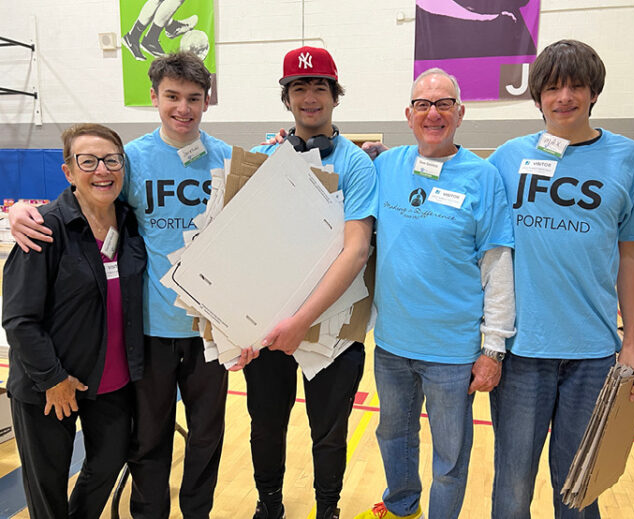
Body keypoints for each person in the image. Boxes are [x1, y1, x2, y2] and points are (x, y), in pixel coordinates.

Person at [10, 52, 231, 519]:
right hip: (147, 330)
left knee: (208, 437)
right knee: (147, 440)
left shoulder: (228, 160)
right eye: (172, 96)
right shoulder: (130, 159)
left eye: (194, 98)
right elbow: (88, 194)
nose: (183, 108)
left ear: (207, 101)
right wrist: (24, 212)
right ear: (154, 97)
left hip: (211, 330)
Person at [484, 40, 634, 519]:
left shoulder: (628, 158)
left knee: (579, 487)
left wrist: (632, 343)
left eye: (576, 86)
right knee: (512, 484)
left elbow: (631, 254)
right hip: (521, 351)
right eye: (553, 87)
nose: (564, 97)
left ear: (594, 92)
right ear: (537, 96)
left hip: (593, 352)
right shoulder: (506, 158)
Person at [339, 67, 518, 519]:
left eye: (443, 104)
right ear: (409, 114)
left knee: (449, 457)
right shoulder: (386, 166)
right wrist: (284, 148)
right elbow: (334, 179)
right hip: (392, 345)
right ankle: (402, 508)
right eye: (423, 104)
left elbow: (498, 266)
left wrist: (493, 349)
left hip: (453, 353)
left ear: (460, 112)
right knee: (393, 437)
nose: (432, 113)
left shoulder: (483, 177)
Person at [232, 45, 379, 519]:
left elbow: (356, 250)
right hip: (268, 323)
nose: (310, 97)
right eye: (299, 87)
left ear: (335, 95)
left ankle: (327, 509)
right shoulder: (263, 158)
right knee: (265, 425)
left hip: (333, 325)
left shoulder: (356, 165)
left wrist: (302, 320)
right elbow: (237, 241)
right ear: (287, 98)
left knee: (328, 432)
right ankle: (269, 505)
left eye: (320, 87)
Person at [4, 124, 147, 519]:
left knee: (109, 460)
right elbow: (19, 319)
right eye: (88, 161)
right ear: (68, 171)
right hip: (49, 385)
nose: (102, 170)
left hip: (109, 380)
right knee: (47, 488)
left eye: (112, 160)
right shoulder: (44, 227)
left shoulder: (130, 222)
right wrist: (53, 379)